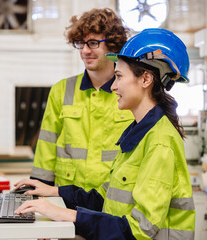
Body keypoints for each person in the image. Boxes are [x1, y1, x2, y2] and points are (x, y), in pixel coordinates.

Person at [15, 28, 195, 239]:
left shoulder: (160, 142)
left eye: (119, 77)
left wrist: (65, 214)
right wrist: (53, 192)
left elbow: (139, 230)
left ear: (146, 79)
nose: (114, 86)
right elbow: (105, 197)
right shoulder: (139, 133)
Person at [30, 8, 134, 191]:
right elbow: (46, 144)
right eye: (80, 43)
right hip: (67, 198)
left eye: (93, 43)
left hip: (111, 202)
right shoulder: (61, 90)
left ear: (112, 45)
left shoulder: (129, 92)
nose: (85, 50)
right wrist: (39, 190)